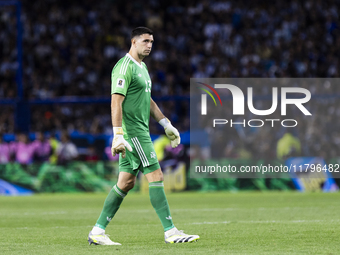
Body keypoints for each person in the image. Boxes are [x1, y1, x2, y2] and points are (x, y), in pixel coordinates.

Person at [88, 27, 199, 245]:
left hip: (139, 131)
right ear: (133, 41)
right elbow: (116, 101)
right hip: (134, 133)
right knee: (156, 176)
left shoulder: (143, 67)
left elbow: (148, 101)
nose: (149, 45)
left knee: (126, 182)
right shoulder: (124, 67)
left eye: (152, 41)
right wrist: (117, 134)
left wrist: (166, 123)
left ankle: (97, 231)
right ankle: (170, 232)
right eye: (146, 41)